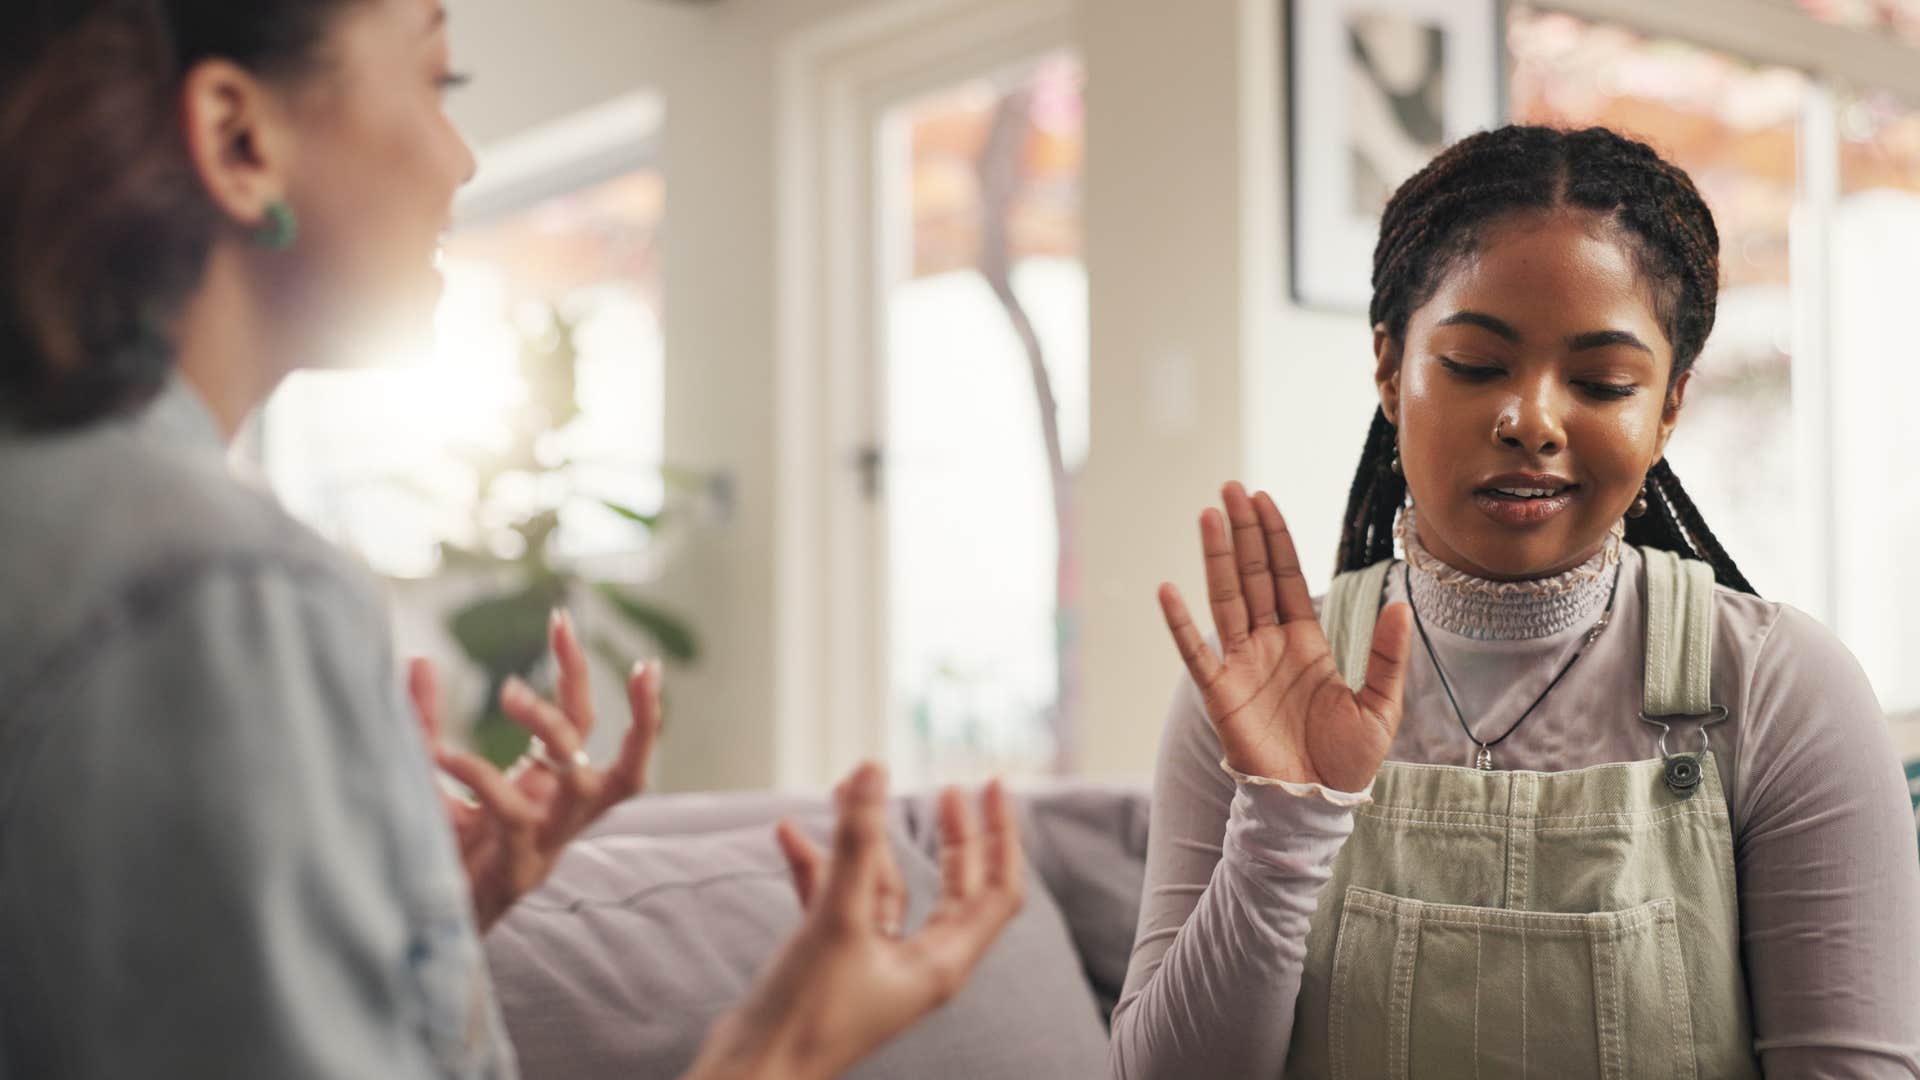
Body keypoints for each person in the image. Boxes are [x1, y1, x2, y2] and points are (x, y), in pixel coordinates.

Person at [0, 1, 1022, 1077]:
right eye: (440, 82)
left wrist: (412, 943)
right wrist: (779, 1048)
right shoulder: (218, 588)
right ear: (238, 140)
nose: (462, 158)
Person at [1111, 125, 1920, 1078]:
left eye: (1602, 382)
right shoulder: (1260, 693)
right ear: (1387, 367)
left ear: (1668, 406)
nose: (1530, 420)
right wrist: (1285, 824)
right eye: (1476, 365)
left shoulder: (1781, 687)